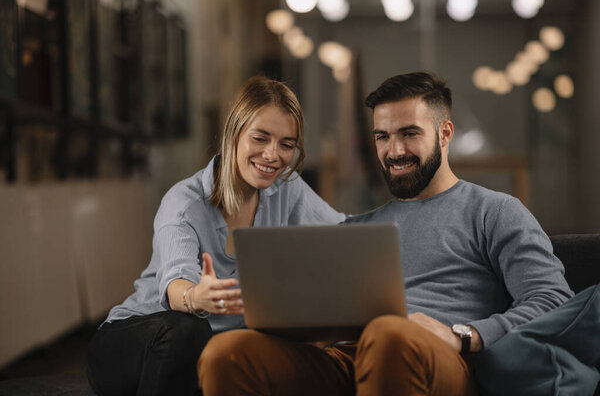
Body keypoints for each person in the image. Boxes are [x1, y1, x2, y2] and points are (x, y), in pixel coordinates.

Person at [196, 71, 573, 396]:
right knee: (226, 352)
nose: (394, 151)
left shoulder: (494, 210)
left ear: (445, 134)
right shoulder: (355, 229)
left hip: (435, 361)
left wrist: (463, 334)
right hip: (345, 358)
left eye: (409, 133)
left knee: (390, 336)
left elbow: (554, 299)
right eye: (382, 136)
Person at [85, 76, 345, 396]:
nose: (272, 155)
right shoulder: (183, 203)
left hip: (207, 350)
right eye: (260, 138)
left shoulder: (285, 190)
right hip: (134, 344)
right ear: (233, 134)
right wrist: (197, 297)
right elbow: (176, 282)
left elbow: (345, 234)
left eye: (286, 144)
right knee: (190, 330)